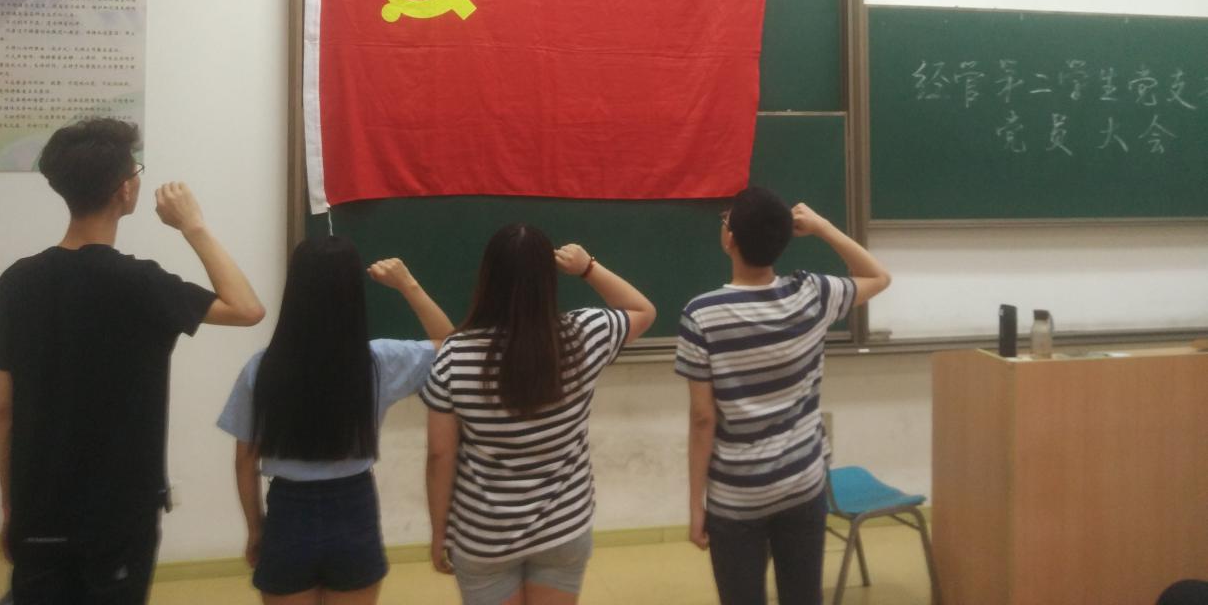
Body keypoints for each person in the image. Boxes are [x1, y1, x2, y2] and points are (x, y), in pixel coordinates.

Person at [0, 117, 265, 605]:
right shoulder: (142, 284)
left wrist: (12, 505)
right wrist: (194, 226)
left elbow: (4, 409)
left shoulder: (17, 282)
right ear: (125, 189)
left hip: (38, 508)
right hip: (119, 514)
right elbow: (247, 308)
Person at [675, 186, 892, 605]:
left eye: (726, 219)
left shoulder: (701, 314)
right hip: (801, 483)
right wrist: (824, 227)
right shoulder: (811, 294)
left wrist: (696, 505)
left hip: (737, 495)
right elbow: (878, 277)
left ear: (730, 238)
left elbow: (703, 419)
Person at [422, 224, 656, 605]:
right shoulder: (583, 335)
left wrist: (438, 533)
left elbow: (440, 455)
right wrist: (588, 267)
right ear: (549, 280)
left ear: (487, 278)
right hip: (563, 528)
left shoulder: (455, 355)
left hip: (485, 536)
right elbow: (643, 310)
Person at [217, 235, 454, 604]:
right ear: (354, 294)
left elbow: (244, 462)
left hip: (287, 513)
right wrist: (407, 284)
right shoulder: (378, 362)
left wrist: (255, 528)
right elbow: (451, 346)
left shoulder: (262, 368)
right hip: (353, 508)